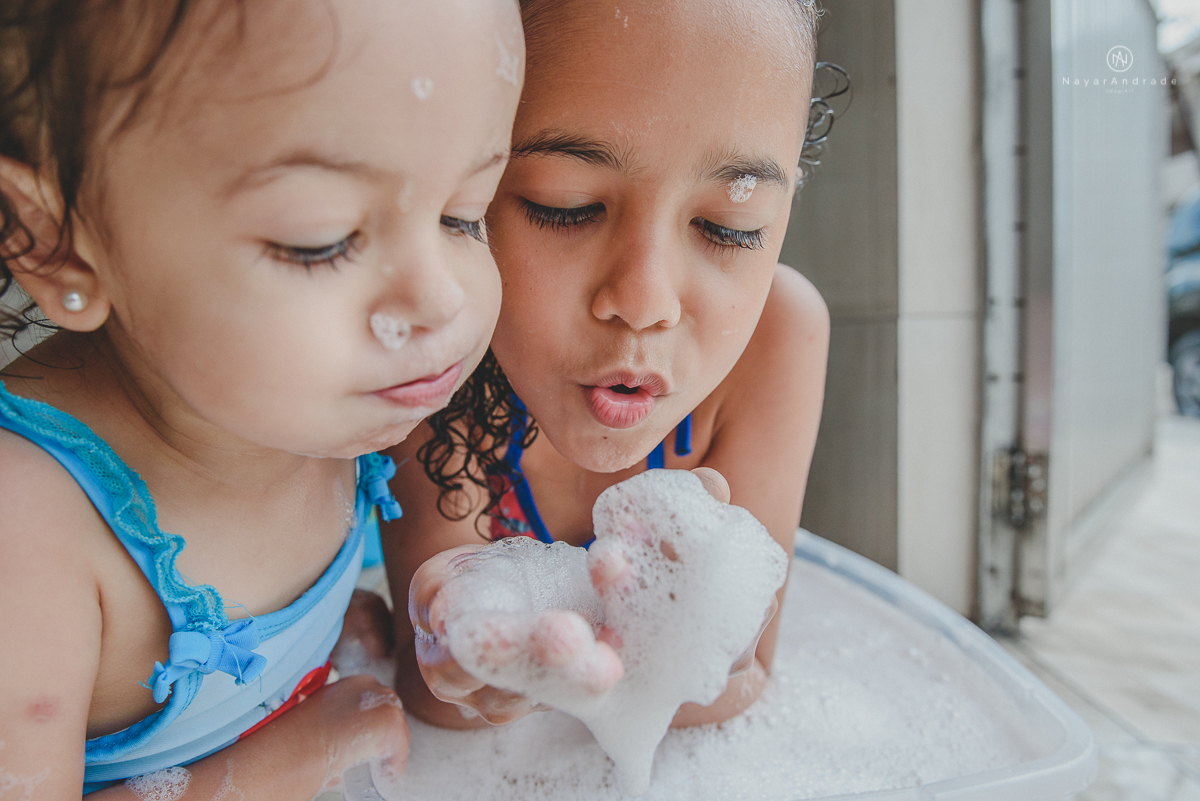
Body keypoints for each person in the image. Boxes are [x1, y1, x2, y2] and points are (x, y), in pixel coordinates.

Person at [0, 0, 523, 796]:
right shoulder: (29, 533)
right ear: (57, 242)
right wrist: (292, 757)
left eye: (464, 215)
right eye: (320, 241)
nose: (440, 300)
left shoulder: (330, 405)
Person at [379, 0, 832, 731]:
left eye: (730, 226)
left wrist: (694, 637)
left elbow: (743, 671)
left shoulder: (779, 335)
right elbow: (432, 681)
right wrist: (467, 653)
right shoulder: (441, 337)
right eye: (568, 206)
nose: (645, 302)